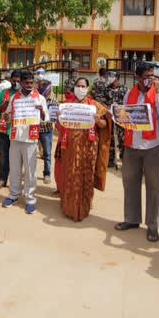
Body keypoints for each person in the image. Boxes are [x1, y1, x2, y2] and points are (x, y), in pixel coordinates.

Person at [114, 62, 159, 243]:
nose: (151, 79)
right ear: (138, 78)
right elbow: (124, 117)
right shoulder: (129, 94)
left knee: (154, 187)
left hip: (152, 147)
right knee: (130, 183)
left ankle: (153, 225)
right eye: (147, 76)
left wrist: (158, 93)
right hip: (132, 145)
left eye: (153, 76)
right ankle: (131, 219)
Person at [56, 77, 111, 221]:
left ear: (87, 88)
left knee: (85, 176)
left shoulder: (95, 106)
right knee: (70, 174)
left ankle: (84, 207)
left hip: (89, 148)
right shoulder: (67, 106)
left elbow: (106, 125)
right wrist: (59, 118)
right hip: (70, 147)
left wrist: (99, 121)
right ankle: (68, 207)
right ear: (74, 87)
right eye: (78, 86)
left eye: (83, 86)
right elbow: (58, 128)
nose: (80, 88)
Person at [2, 69, 48, 214]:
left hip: (31, 138)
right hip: (15, 137)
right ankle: (13, 195)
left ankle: (30, 199)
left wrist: (41, 112)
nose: (29, 85)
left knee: (30, 171)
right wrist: (6, 116)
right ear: (20, 82)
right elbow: (7, 117)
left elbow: (45, 119)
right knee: (15, 169)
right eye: (26, 82)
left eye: (31, 82)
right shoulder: (14, 98)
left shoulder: (39, 98)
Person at [35, 68, 55, 184]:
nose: (40, 85)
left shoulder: (51, 95)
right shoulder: (33, 93)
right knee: (31, 152)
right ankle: (31, 173)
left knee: (47, 153)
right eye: (38, 83)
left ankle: (47, 174)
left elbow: (54, 109)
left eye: (42, 83)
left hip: (46, 128)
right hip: (34, 127)